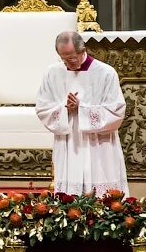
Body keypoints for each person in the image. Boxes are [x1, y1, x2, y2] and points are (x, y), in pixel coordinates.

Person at [36, 31, 128, 195]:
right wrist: (65, 108)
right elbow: (43, 107)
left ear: (82, 50)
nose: (68, 63)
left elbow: (116, 111)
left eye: (71, 58)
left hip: (99, 144)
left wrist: (82, 109)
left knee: (103, 194)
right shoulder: (52, 72)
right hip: (68, 140)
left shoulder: (105, 73)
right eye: (63, 59)